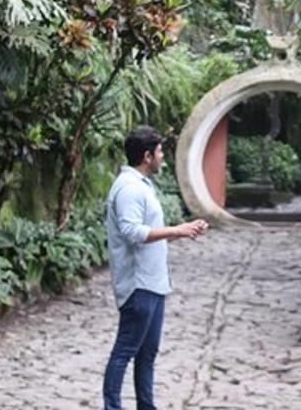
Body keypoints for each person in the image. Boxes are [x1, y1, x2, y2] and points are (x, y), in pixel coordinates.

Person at [103, 127, 208, 410]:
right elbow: (132, 231)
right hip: (138, 284)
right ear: (147, 156)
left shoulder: (142, 185)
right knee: (124, 351)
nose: (163, 156)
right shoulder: (129, 188)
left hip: (154, 282)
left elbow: (151, 230)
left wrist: (185, 231)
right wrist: (177, 228)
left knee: (147, 354)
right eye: (160, 151)